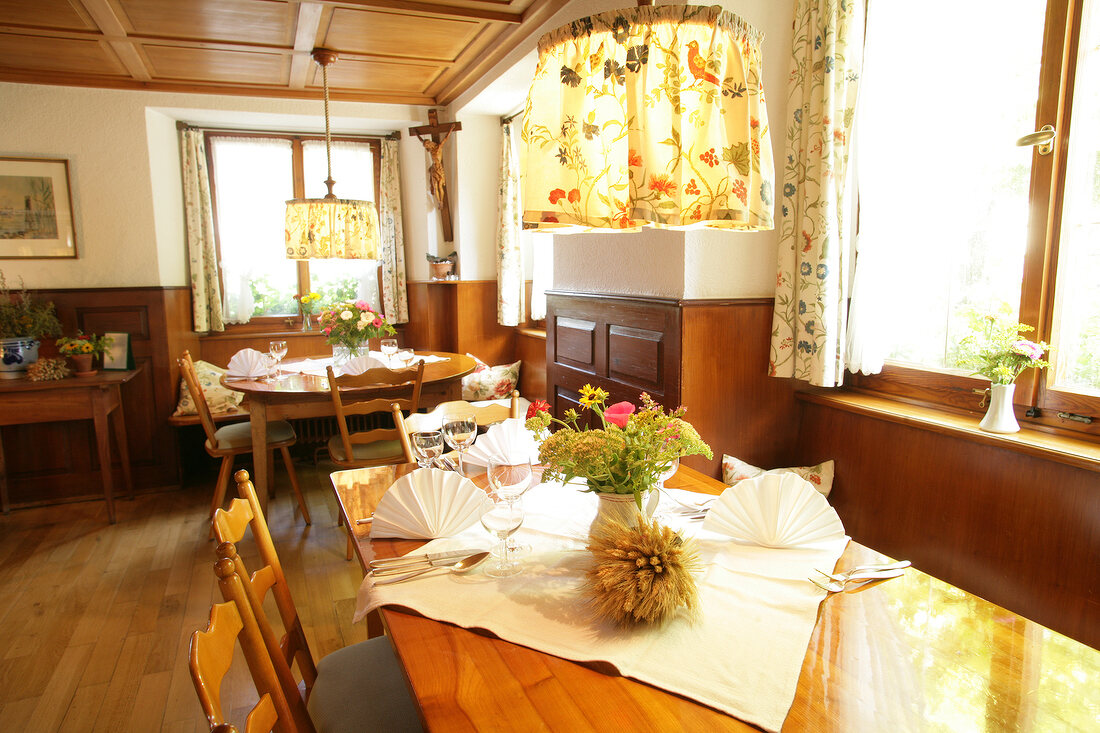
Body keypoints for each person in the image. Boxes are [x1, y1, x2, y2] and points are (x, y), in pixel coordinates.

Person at [418, 128, 452, 209]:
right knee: (435, 186)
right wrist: (417, 134)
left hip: (439, 168)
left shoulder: (439, 147)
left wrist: (451, 129)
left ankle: (442, 201)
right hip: (434, 168)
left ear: (429, 143)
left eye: (427, 145)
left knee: (440, 186)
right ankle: (439, 202)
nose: (427, 147)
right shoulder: (431, 150)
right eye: (426, 146)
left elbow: (445, 138)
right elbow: (421, 140)